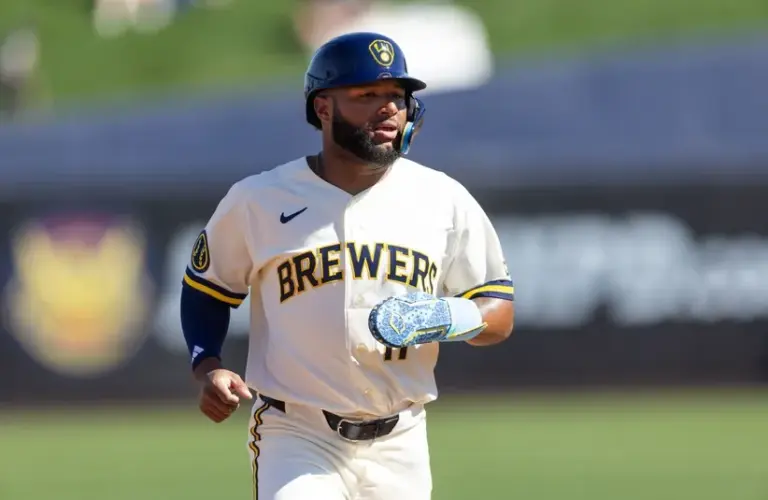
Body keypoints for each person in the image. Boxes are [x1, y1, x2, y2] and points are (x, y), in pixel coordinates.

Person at [179, 32, 515, 500]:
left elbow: (497, 310)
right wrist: (207, 365)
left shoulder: (443, 198)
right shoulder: (260, 199)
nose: (388, 109)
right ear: (323, 108)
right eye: (366, 95)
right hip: (297, 433)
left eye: (397, 97)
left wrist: (449, 316)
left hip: (401, 440)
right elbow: (206, 287)